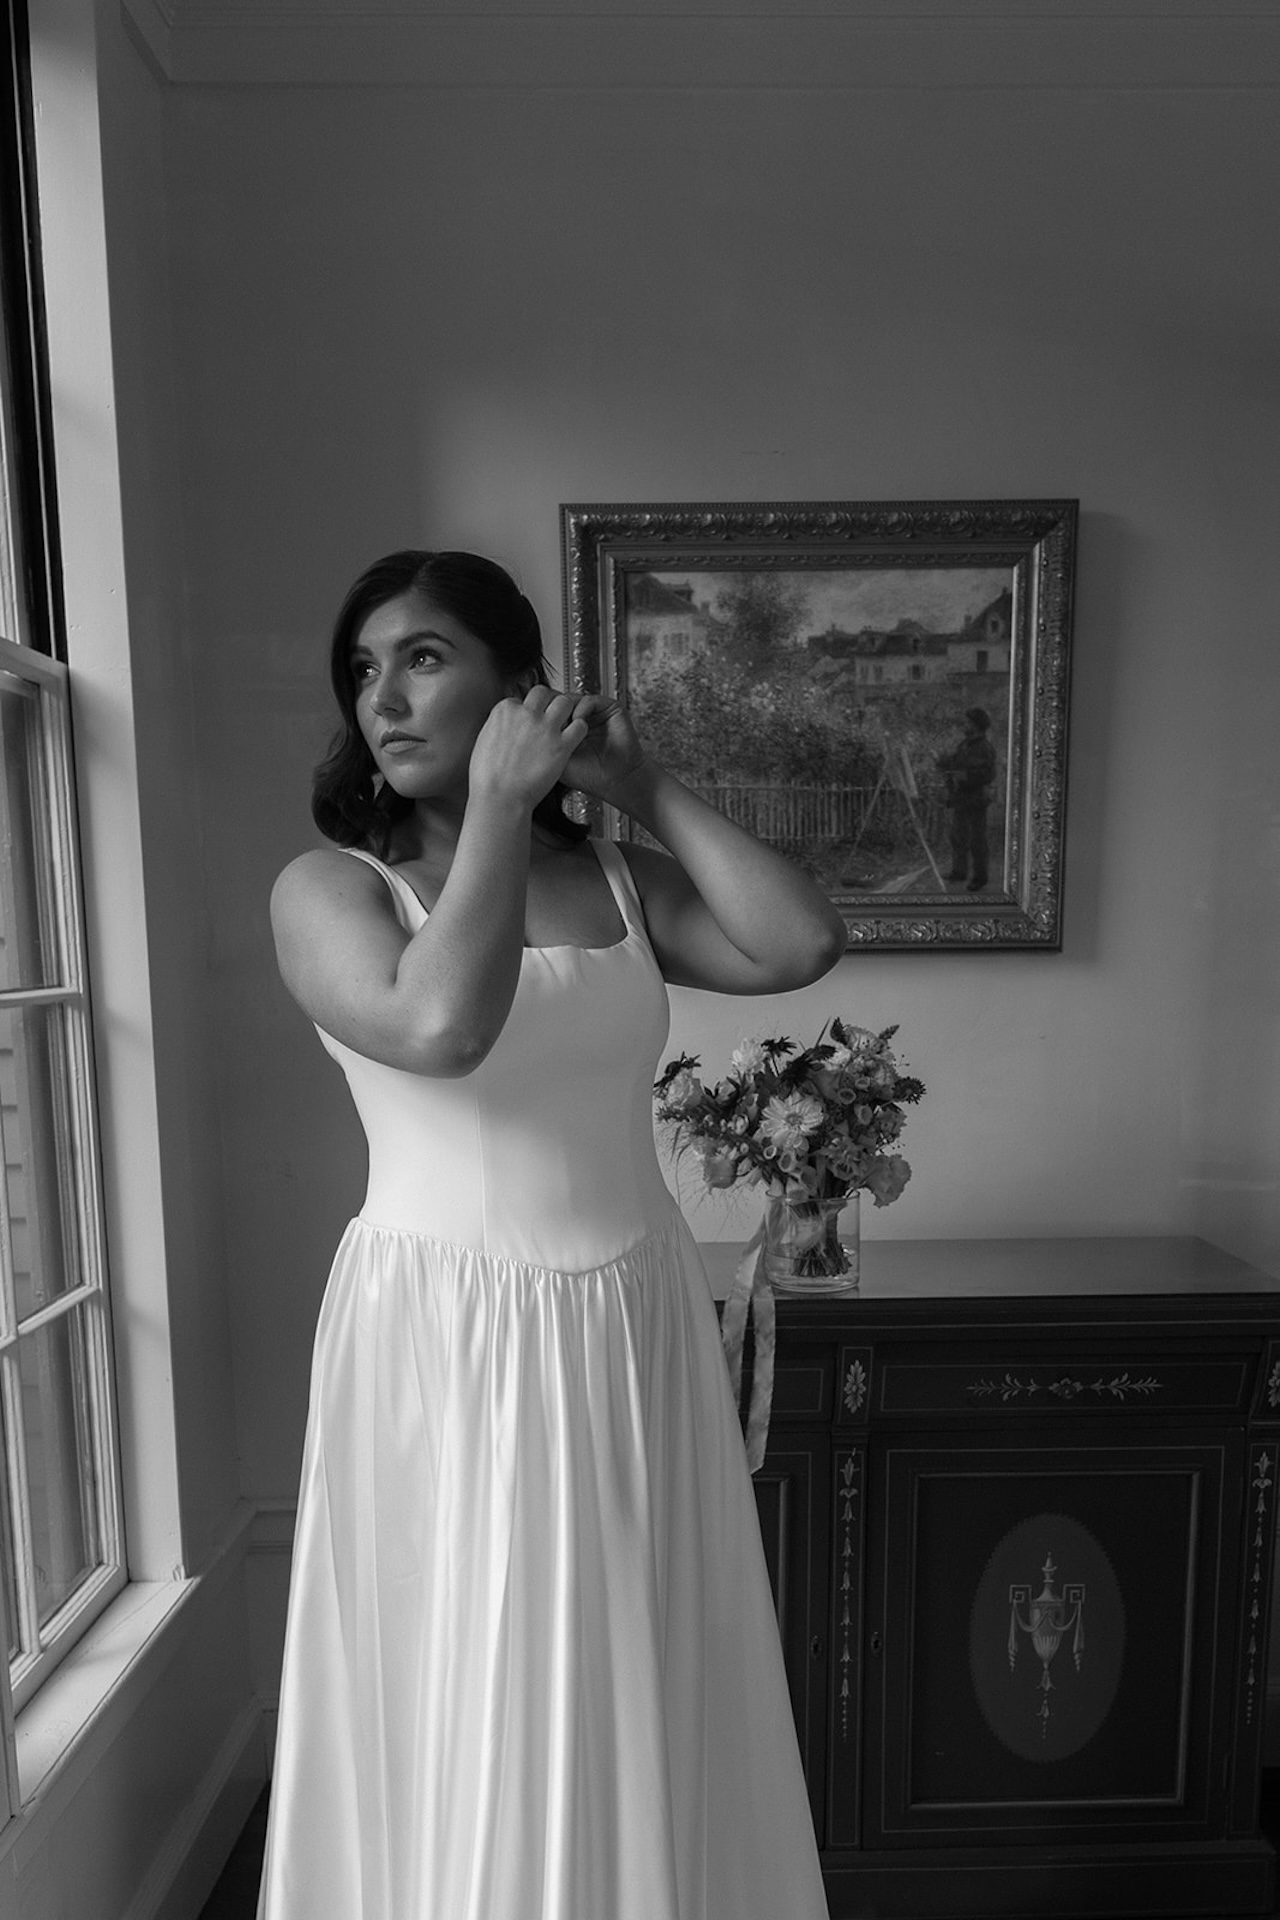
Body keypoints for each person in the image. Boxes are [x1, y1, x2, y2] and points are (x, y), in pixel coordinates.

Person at [259, 549, 846, 1920]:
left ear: (518, 686)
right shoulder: (328, 891)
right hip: (445, 1332)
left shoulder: (620, 881)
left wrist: (642, 784)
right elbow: (439, 1029)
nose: (382, 699)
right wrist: (500, 811)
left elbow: (800, 943)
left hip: (635, 1317)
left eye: (422, 658)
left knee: (640, 1657)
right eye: (362, 670)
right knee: (471, 1666)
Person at [937, 705, 997, 892]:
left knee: (977, 840)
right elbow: (954, 762)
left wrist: (964, 776)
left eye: (967, 722)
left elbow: (987, 775)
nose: (964, 725)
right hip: (961, 798)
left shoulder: (984, 747)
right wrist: (942, 762)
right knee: (958, 837)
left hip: (976, 799)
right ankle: (959, 871)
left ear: (976, 725)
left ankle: (980, 878)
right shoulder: (964, 745)